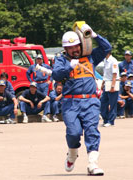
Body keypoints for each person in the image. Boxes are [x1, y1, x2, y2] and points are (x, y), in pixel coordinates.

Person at [52, 24, 111, 175]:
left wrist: (94, 35)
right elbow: (56, 75)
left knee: (92, 131)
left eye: (77, 45)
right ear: (65, 49)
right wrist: (69, 67)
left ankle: (92, 164)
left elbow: (106, 48)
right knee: (73, 133)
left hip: (90, 101)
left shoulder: (90, 57)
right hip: (71, 102)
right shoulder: (62, 60)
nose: (75, 49)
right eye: (71, 47)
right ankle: (72, 153)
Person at [100, 52, 119, 127]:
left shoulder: (113, 61)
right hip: (106, 83)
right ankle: (105, 119)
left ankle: (111, 121)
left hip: (112, 83)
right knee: (103, 102)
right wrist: (102, 83)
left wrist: (112, 86)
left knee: (112, 103)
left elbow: (115, 74)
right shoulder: (105, 60)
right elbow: (105, 74)